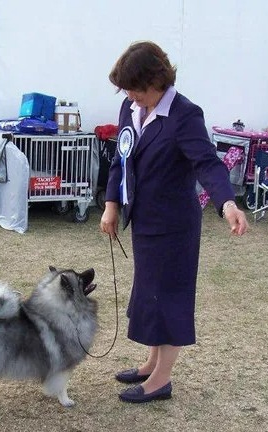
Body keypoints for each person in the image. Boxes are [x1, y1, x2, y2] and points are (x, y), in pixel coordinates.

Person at [99, 41, 248, 404]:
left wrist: (226, 202)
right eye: (126, 90)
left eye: (134, 88)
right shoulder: (130, 108)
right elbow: (121, 160)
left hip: (174, 226)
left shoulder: (184, 115)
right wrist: (111, 204)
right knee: (150, 295)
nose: (130, 96)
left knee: (169, 299)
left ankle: (161, 381)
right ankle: (151, 363)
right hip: (144, 221)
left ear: (156, 81)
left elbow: (207, 163)